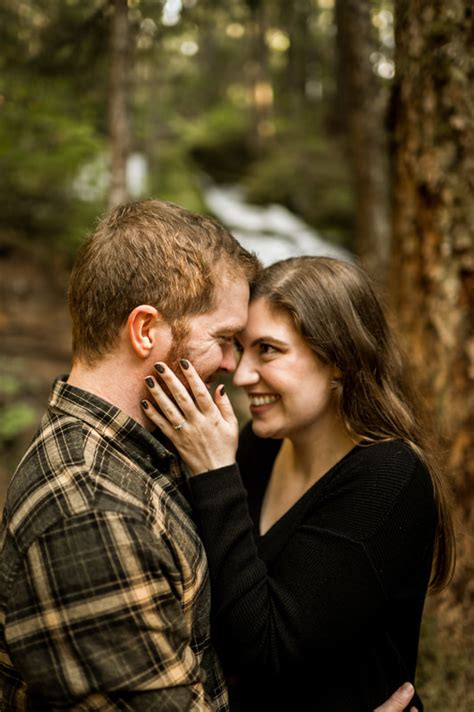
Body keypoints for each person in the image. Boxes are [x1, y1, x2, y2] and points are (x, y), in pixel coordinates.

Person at [0, 198, 419, 712]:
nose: (234, 368)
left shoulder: (150, 452)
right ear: (146, 330)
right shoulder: (90, 511)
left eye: (261, 348)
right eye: (226, 340)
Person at [141, 256, 455, 711]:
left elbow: (267, 651)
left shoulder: (388, 477)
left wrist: (213, 473)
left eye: (268, 349)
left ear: (340, 361)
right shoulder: (262, 445)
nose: (243, 374)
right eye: (242, 348)